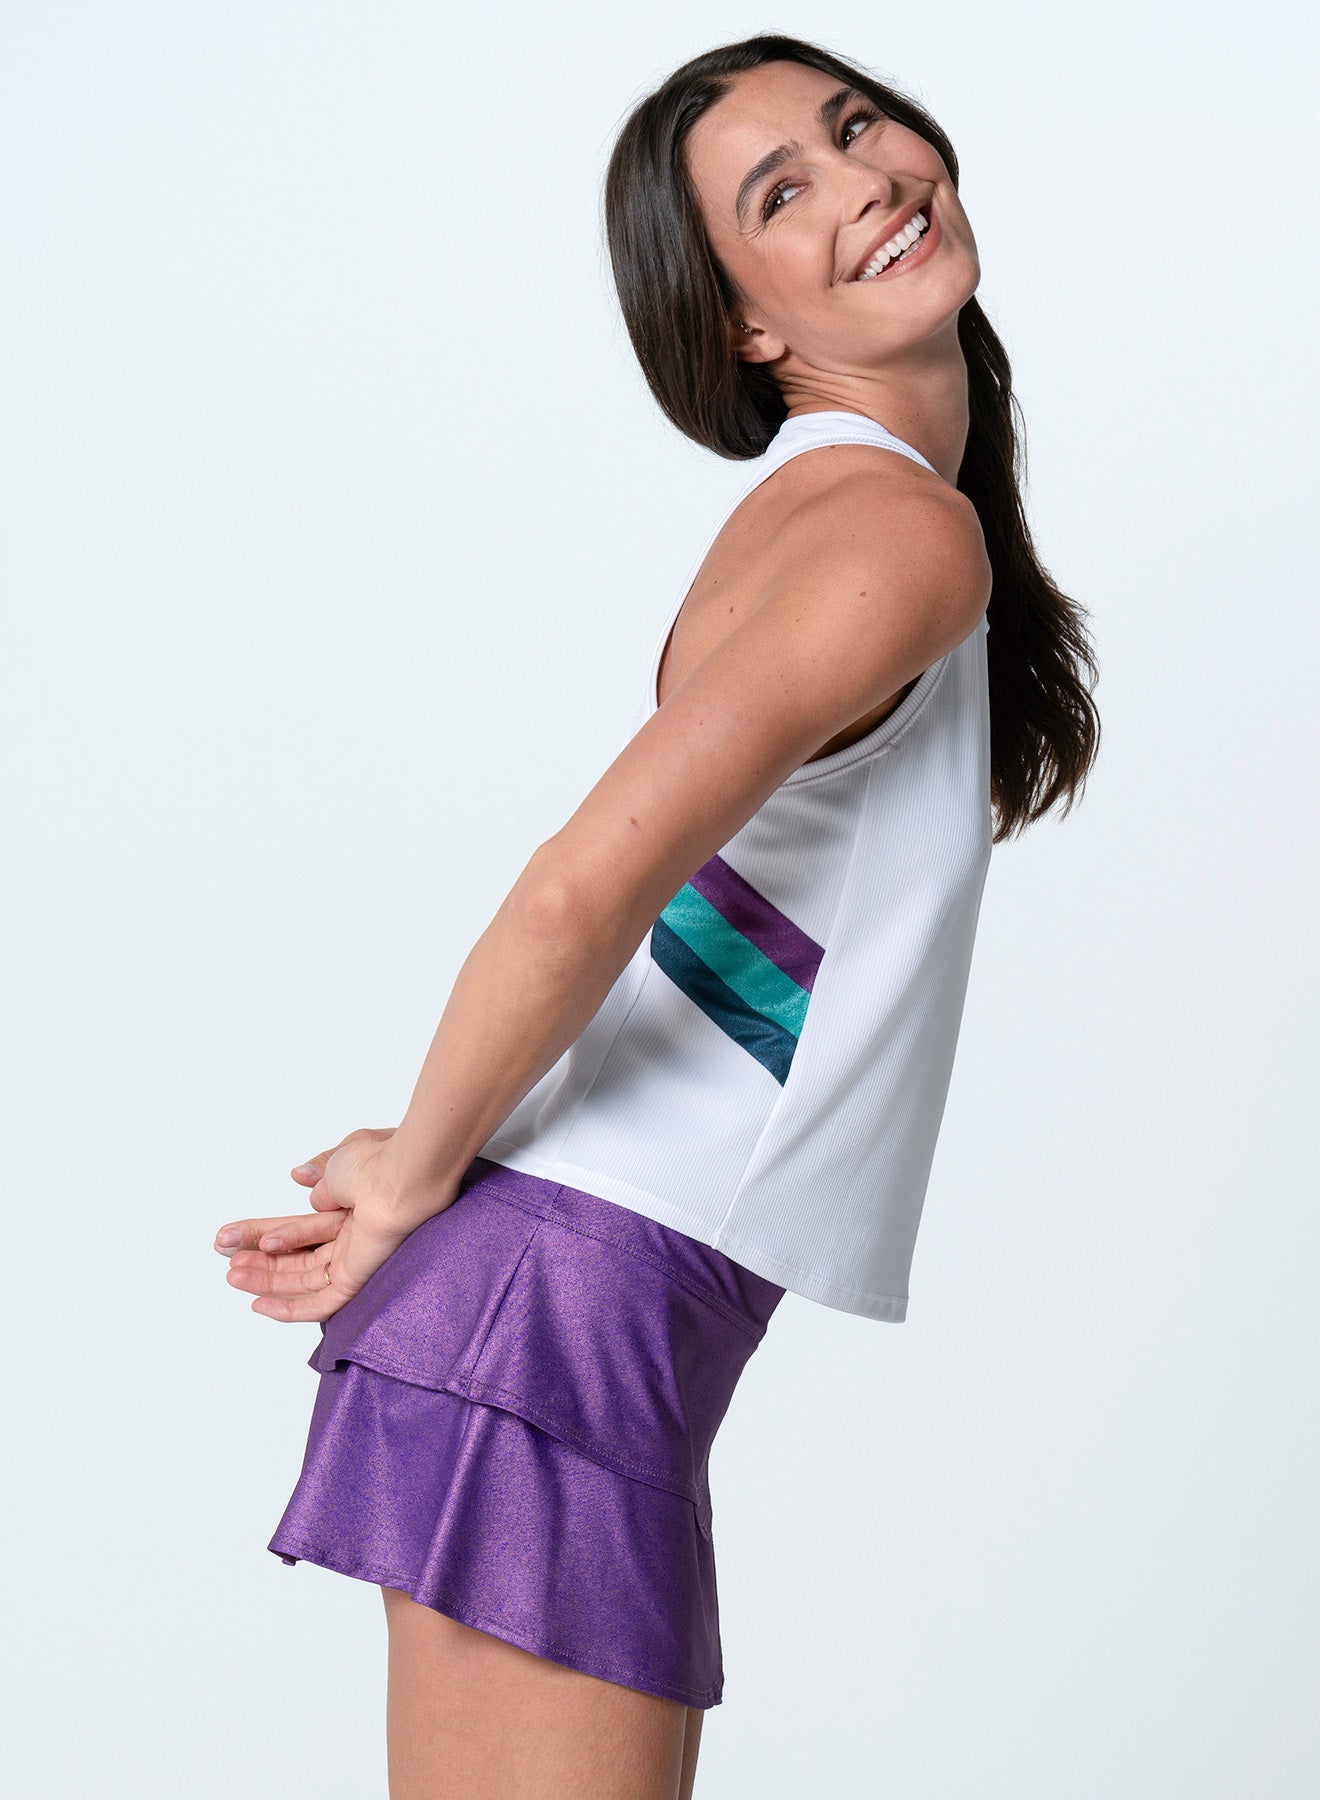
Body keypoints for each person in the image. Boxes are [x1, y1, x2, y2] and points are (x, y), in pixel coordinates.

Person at [213, 34, 1099, 1800]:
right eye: (784, 192)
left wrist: (449, 1156)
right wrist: (419, 1178)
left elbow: (680, 918)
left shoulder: (853, 512)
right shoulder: (890, 534)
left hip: (581, 1296)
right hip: (562, 1318)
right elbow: (578, 892)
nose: (867, 182)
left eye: (856, 124)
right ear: (744, 325)